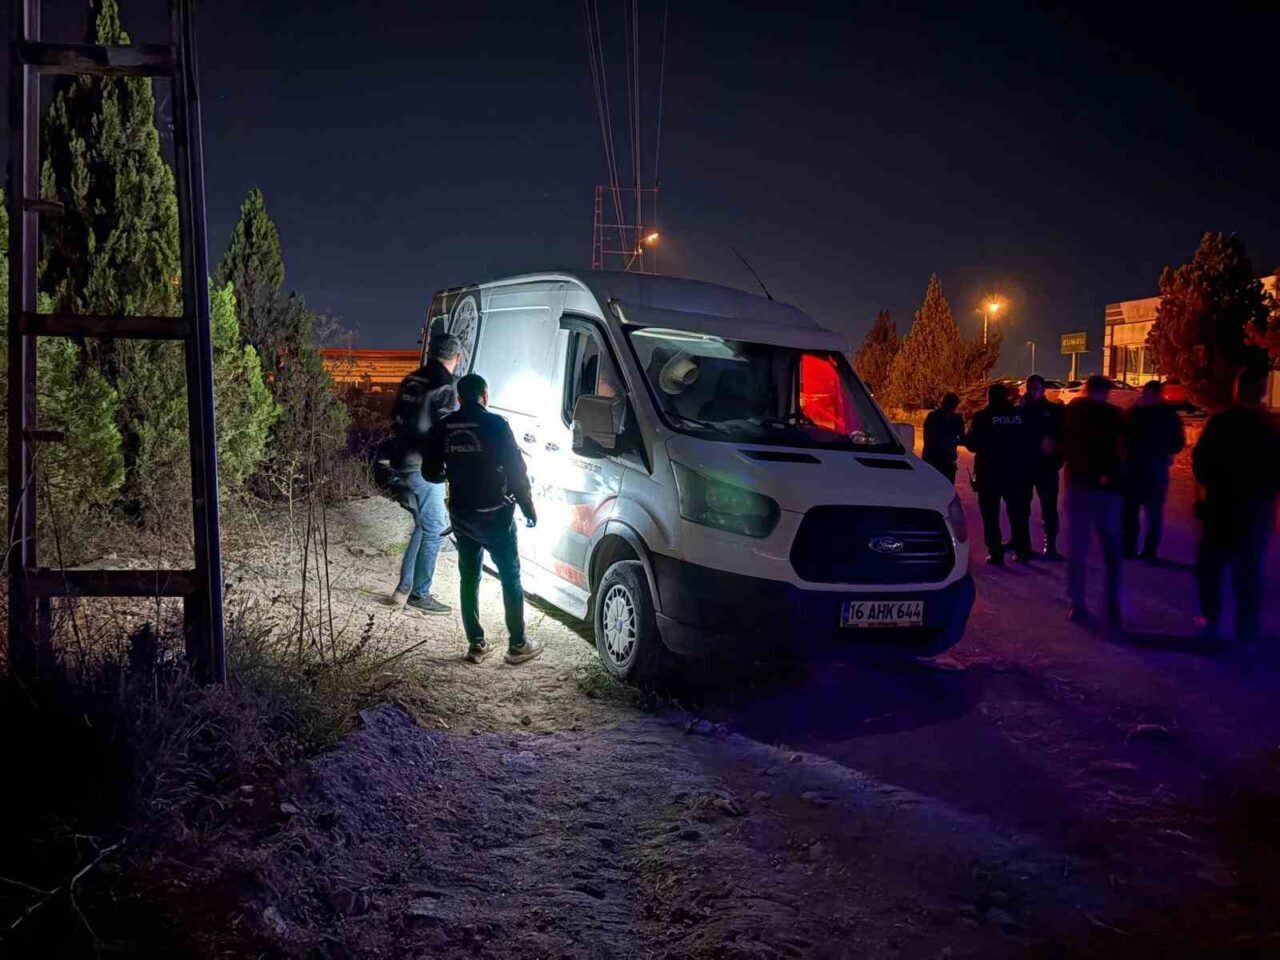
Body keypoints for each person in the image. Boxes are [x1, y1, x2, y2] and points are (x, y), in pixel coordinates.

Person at [423, 373, 543, 665]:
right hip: (495, 515)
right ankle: (518, 645)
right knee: (510, 576)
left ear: (459, 398)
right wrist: (528, 508)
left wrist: (452, 473)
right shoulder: (496, 424)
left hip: (462, 515)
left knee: (469, 577)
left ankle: (476, 645)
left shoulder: (444, 426)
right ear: (485, 396)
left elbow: (430, 471)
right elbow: (516, 471)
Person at [1191, 369, 1280, 646]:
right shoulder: (1269, 427)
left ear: (1237, 391)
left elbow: (1201, 464)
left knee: (1210, 568)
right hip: (1255, 511)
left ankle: (1211, 621)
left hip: (1221, 508)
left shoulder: (1221, 423)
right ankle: (1246, 627)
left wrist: (1208, 492)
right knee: (1248, 572)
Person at [385, 333, 461, 614]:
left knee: (423, 523)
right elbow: (445, 430)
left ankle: (403, 589)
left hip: (400, 459)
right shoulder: (445, 385)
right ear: (458, 358)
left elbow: (396, 417)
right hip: (422, 467)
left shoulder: (412, 379)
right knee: (435, 528)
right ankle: (420, 593)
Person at [1061, 375, 1125, 634]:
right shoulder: (1117, 416)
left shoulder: (1074, 411)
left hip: (1079, 486)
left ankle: (1077, 603)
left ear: (1087, 389)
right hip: (1106, 490)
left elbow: (1063, 444)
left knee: (1078, 549)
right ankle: (1112, 605)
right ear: (1107, 391)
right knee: (1110, 551)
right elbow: (1123, 452)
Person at [964, 383, 1033, 565]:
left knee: (990, 515)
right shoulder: (1019, 415)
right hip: (1016, 472)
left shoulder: (983, 417)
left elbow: (973, 445)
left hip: (990, 473)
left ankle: (995, 553)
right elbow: (1029, 442)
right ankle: (1022, 550)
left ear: (989, 397)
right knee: (1018, 513)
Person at [1122, 380, 1186, 561]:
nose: (1145, 397)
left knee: (1153, 511)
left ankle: (1149, 550)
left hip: (1153, 468)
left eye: (1148, 395)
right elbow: (1123, 432)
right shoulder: (1136, 413)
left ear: (1157, 395)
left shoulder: (1167, 416)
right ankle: (1129, 547)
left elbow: (1177, 442)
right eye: (1144, 394)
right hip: (1135, 467)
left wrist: (1164, 451)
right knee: (1131, 511)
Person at [1021, 375, 1065, 557]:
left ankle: (1051, 545)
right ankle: (1023, 545)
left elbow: (1062, 436)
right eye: (1030, 388)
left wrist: (1057, 460)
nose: (1033, 391)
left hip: (1047, 466)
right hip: (1026, 466)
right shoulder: (1021, 411)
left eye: (1036, 388)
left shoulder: (1053, 411)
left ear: (1043, 389)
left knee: (1049, 508)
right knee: (1021, 507)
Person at [922, 392, 965, 484]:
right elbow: (930, 437)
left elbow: (963, 437)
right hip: (933, 459)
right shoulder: (933, 416)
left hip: (948, 460)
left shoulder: (957, 419)